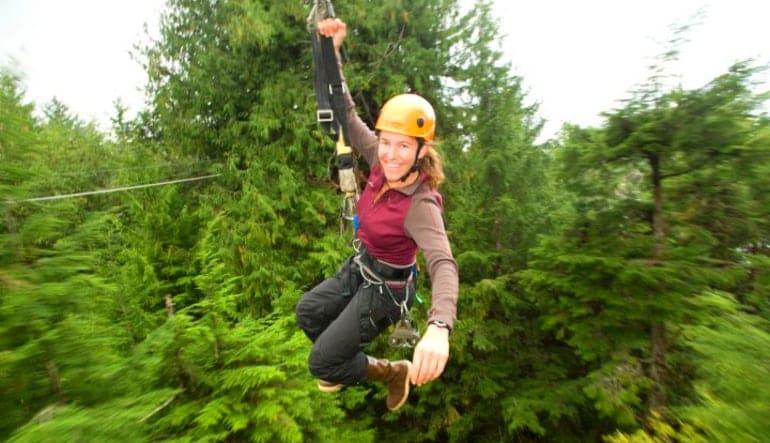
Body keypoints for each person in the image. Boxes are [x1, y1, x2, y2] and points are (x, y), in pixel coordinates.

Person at [296, 17, 459, 411]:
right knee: (308, 313)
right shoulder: (378, 159)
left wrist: (439, 327)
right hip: (360, 267)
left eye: (404, 147)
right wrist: (332, 53)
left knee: (321, 362)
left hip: (387, 291)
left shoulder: (420, 204)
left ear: (422, 151)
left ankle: (390, 371)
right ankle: (348, 363)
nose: (390, 154)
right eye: (387, 143)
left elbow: (443, 263)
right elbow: (347, 114)